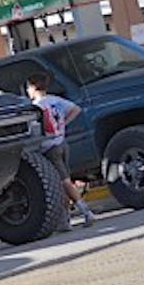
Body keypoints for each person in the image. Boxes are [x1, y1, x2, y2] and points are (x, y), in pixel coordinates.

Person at [25, 73, 95, 229]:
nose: (27, 91)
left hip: (49, 147)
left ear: (34, 87)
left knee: (64, 182)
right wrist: (63, 123)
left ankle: (85, 211)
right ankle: (65, 220)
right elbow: (76, 109)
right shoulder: (55, 100)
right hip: (62, 142)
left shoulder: (37, 107)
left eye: (28, 87)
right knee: (62, 183)